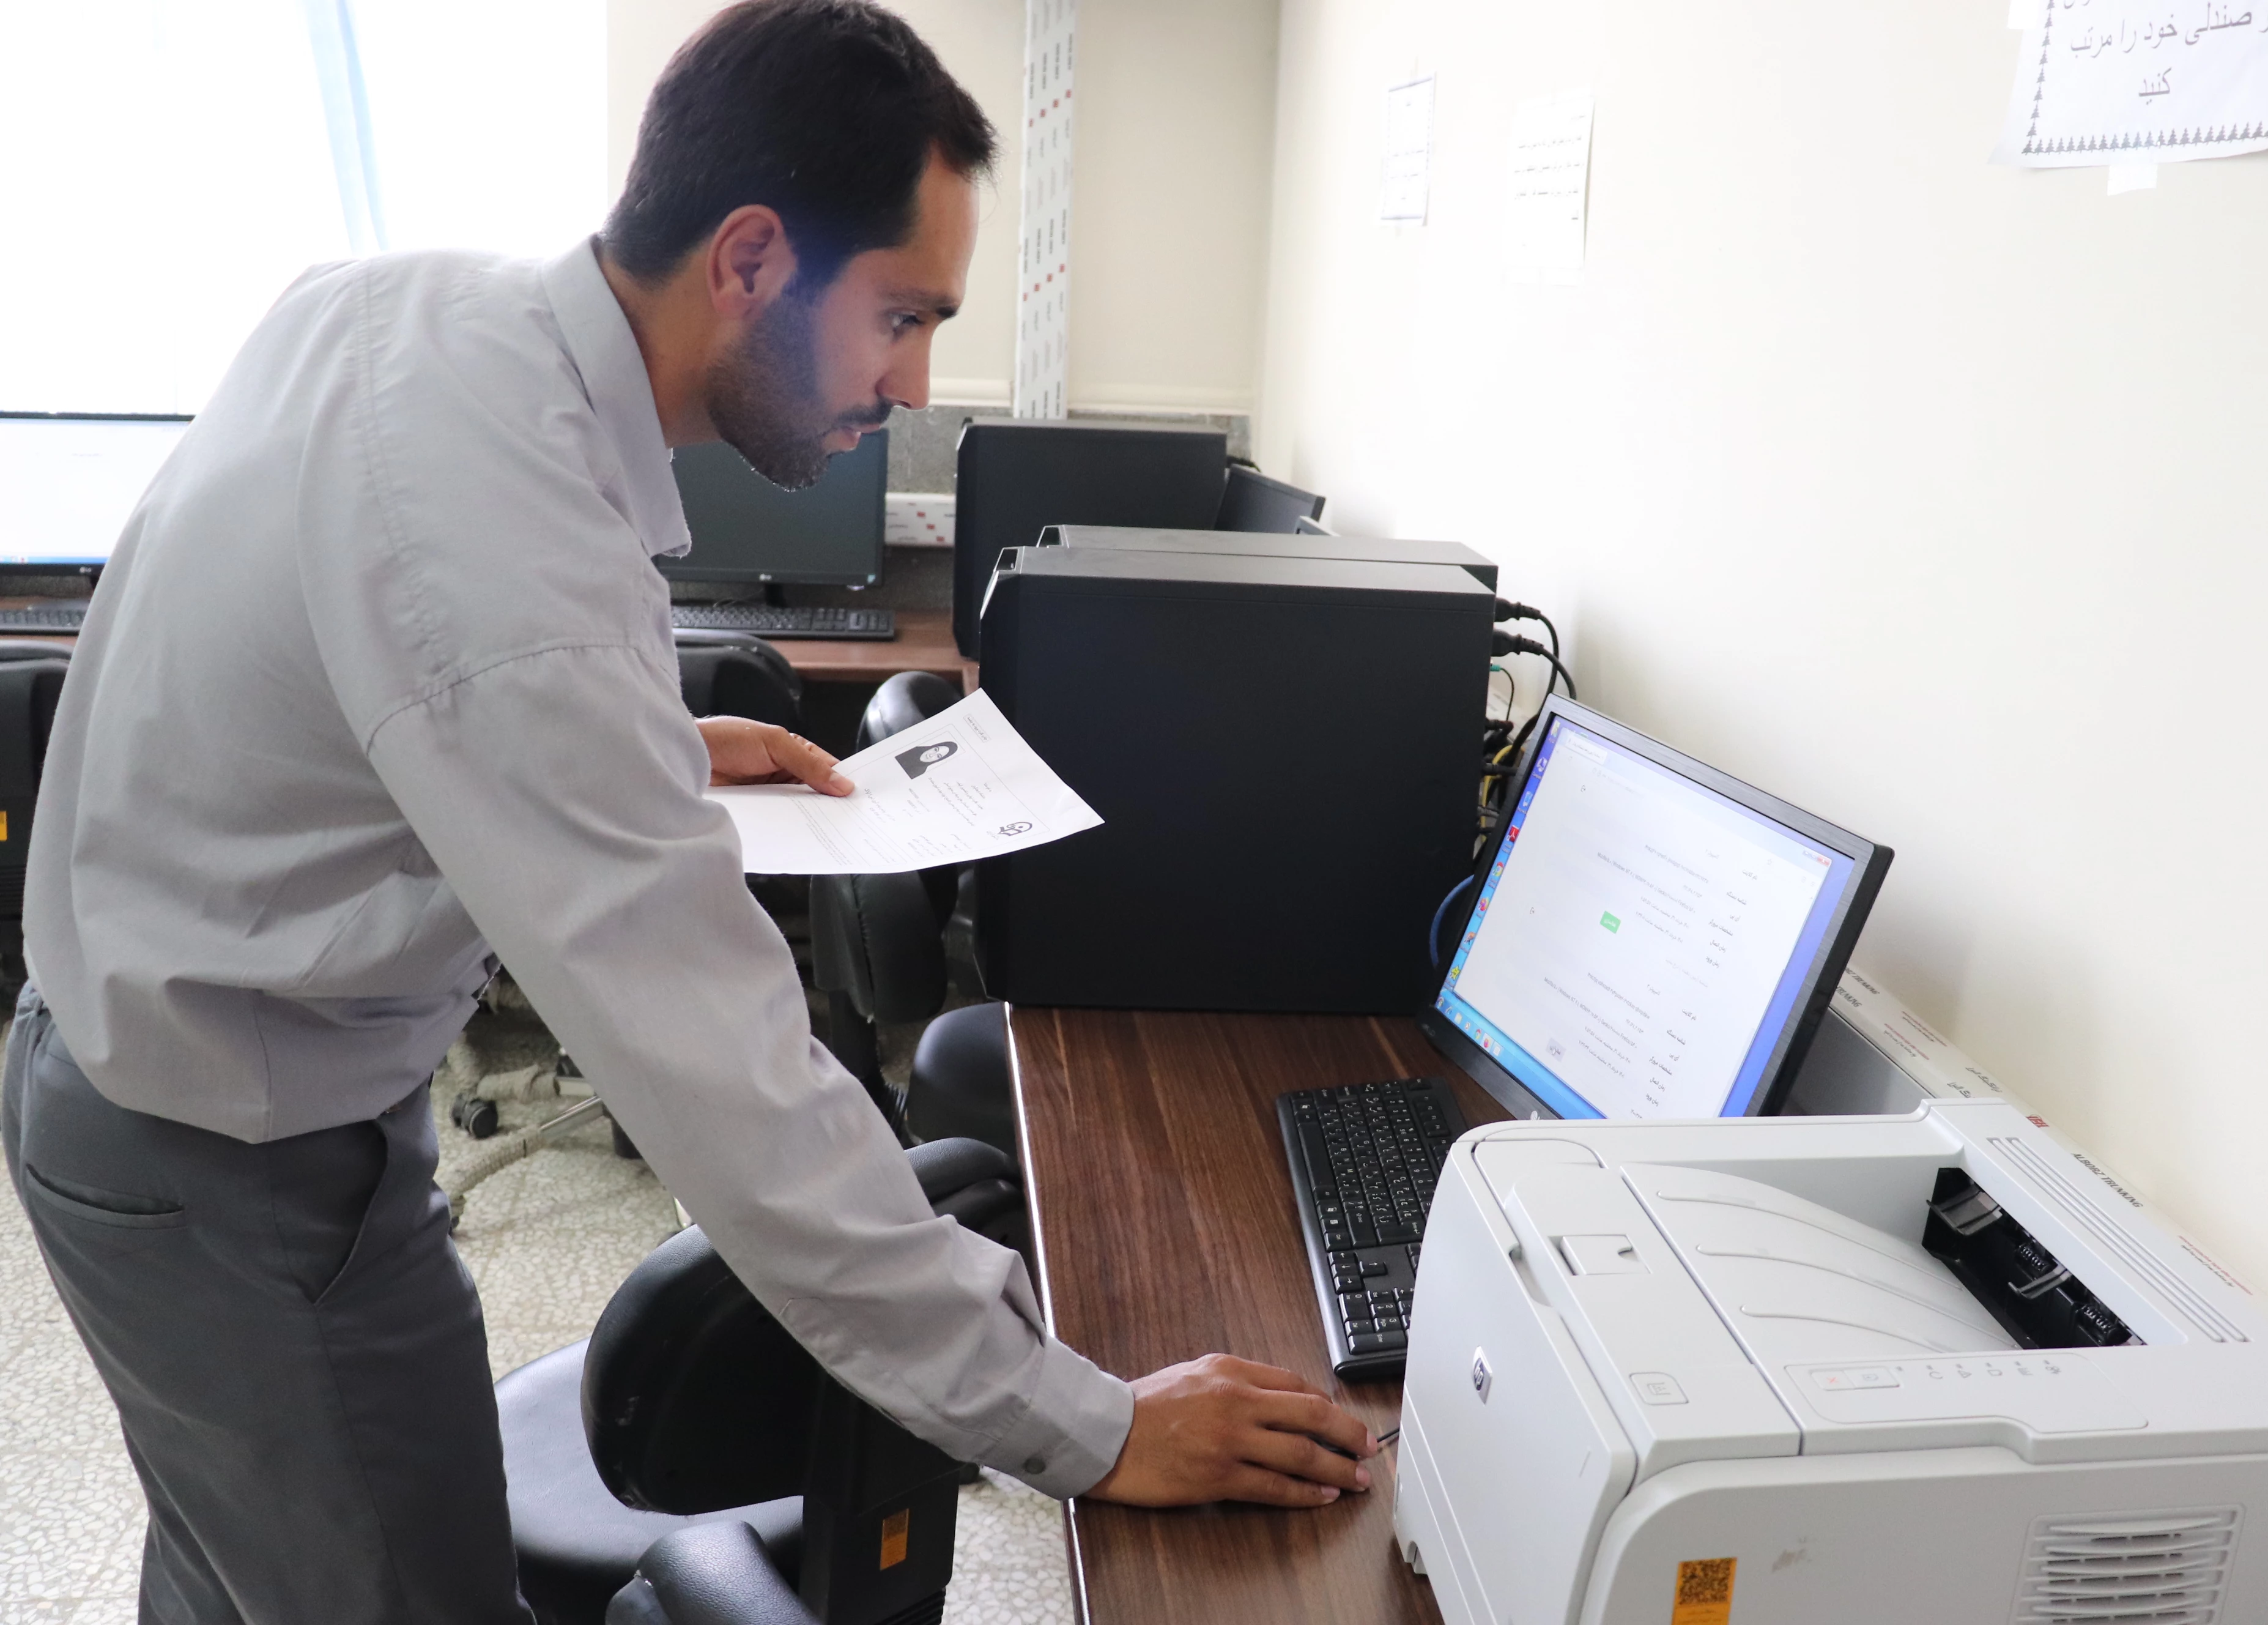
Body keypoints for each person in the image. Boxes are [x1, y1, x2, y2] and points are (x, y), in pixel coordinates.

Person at [0, 4, 1377, 1620]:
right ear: (749, 261)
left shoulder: (395, 306)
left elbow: (345, 647)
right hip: (230, 1159)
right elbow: (729, 1084)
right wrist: (1090, 1425)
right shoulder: (506, 562)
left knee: (238, 1566)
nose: (915, 383)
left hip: (126, 1068)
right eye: (900, 318)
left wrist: (632, 733)